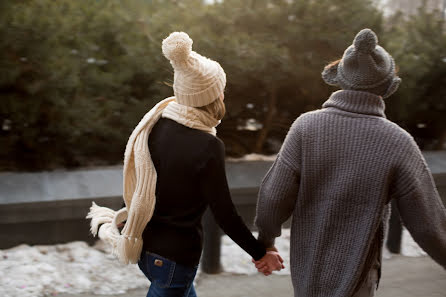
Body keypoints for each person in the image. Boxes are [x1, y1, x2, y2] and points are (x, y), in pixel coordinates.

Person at [87, 31, 283, 297]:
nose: (223, 95)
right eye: (221, 90)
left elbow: (138, 176)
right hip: (174, 258)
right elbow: (223, 212)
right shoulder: (207, 145)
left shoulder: (156, 124)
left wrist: (125, 213)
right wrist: (261, 252)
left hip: (147, 247)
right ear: (211, 97)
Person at [254, 28, 446, 297]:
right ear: (390, 87)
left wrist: (266, 243)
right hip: (358, 276)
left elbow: (274, 196)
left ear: (340, 78)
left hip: (306, 269)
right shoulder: (397, 142)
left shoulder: (305, 127)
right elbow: (429, 224)